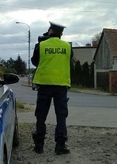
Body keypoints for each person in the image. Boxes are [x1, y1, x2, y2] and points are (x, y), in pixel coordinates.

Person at [31, 21, 73, 155]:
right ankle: (60, 145)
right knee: (61, 116)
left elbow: (34, 61)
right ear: (61, 34)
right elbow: (69, 59)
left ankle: (39, 145)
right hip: (61, 86)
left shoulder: (41, 45)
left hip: (44, 85)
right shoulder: (67, 47)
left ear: (49, 31)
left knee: (41, 116)